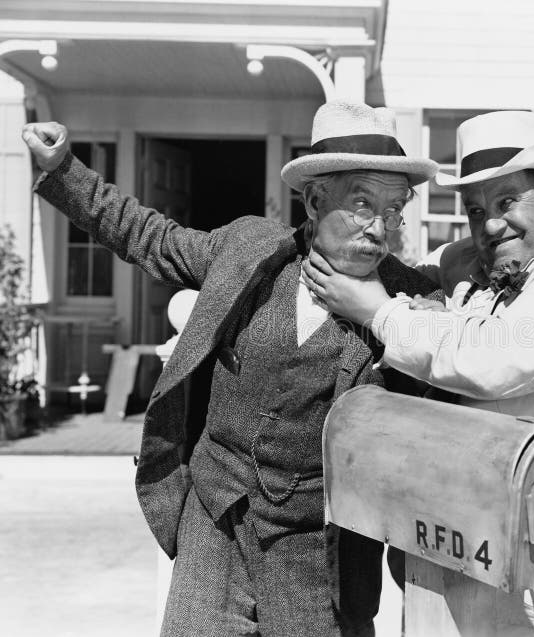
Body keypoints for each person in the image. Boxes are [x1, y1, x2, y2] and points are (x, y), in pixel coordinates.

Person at [21, 100, 441, 637]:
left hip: (319, 549)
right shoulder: (248, 250)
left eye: (393, 209)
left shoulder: (409, 303)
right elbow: (148, 236)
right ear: (314, 200)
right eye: (362, 203)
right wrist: (63, 171)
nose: (379, 227)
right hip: (215, 516)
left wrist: (387, 312)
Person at [302, 110, 534, 636]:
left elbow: (490, 360)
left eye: (508, 202)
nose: (490, 224)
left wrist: (380, 312)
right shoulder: (465, 262)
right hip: (465, 560)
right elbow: (394, 271)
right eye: (475, 209)